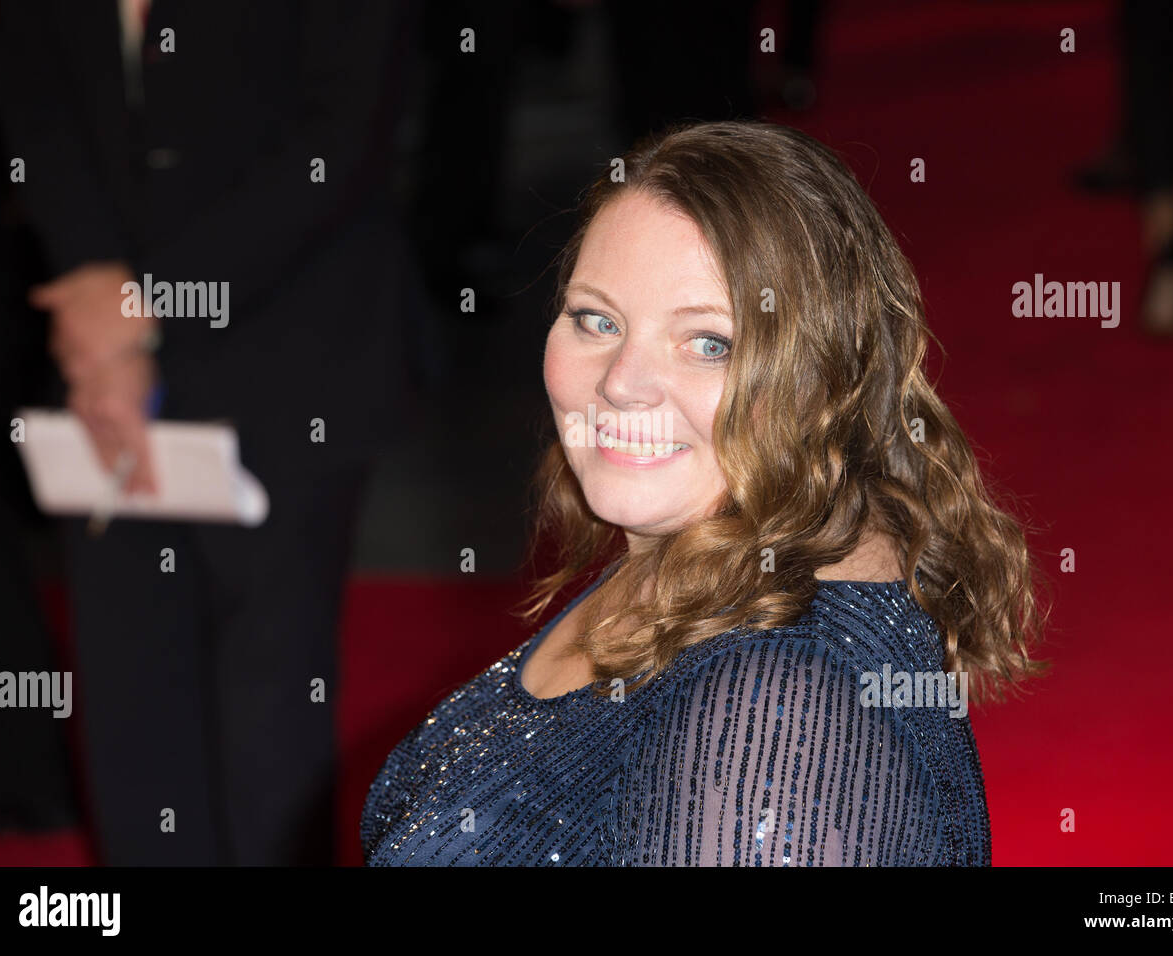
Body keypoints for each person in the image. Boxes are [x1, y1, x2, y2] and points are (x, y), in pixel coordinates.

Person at [361, 120, 1048, 866]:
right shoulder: (705, 554)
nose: (622, 381)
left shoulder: (778, 715)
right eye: (597, 320)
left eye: (709, 343)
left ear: (822, 375)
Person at [0, 1, 412, 865]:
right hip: (94, 357)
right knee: (129, 701)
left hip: (294, 350)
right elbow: (33, 92)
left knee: (271, 714)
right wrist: (99, 299)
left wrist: (143, 308)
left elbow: (335, 143)